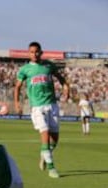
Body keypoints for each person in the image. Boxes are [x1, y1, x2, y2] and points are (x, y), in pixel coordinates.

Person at [14, 41, 69, 178]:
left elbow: (62, 79)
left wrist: (66, 88)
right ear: (29, 53)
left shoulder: (49, 66)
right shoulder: (25, 69)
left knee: (54, 139)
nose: (34, 54)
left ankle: (44, 155)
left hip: (52, 105)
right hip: (37, 107)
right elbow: (17, 87)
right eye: (31, 52)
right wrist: (17, 103)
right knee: (44, 136)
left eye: (37, 51)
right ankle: (51, 168)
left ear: (41, 52)